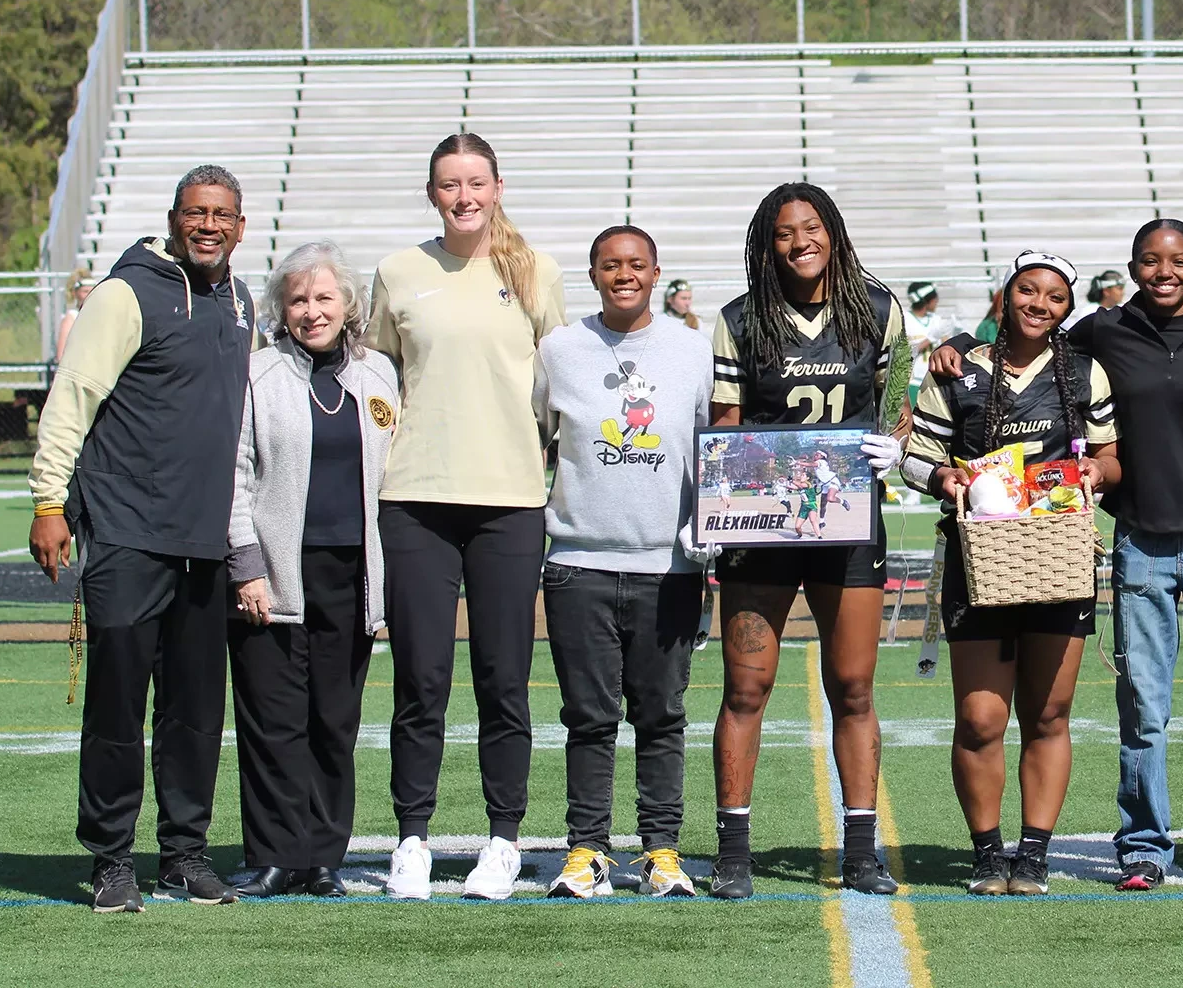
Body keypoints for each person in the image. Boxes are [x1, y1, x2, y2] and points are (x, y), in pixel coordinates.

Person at [929, 219, 1183, 891]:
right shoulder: (1103, 331)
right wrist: (963, 340)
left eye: (1177, 260)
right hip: (1139, 535)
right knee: (1144, 703)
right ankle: (1144, 844)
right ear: (1133, 267)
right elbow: (1027, 332)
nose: (1163, 271)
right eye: (1149, 260)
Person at [27, 164, 255, 913]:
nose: (209, 226)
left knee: (193, 713)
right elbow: (74, 396)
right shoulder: (126, 293)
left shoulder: (242, 299)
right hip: (127, 534)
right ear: (174, 218)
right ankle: (111, 859)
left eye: (222, 214)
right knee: (118, 709)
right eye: (197, 213)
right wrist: (48, 502)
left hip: (205, 543)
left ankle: (184, 855)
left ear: (241, 225)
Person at [367, 133, 568, 901]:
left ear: (496, 186)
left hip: (511, 502)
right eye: (449, 184)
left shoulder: (535, 271)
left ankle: (502, 839)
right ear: (431, 193)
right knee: (420, 680)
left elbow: (563, 384)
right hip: (414, 498)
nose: (463, 196)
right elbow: (378, 381)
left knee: (502, 680)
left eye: (475, 182)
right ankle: (411, 840)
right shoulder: (396, 272)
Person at [707, 182, 907, 899]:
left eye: (812, 228)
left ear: (835, 233)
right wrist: (712, 502)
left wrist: (896, 447)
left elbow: (899, 406)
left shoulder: (877, 312)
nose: (800, 243)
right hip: (762, 525)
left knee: (852, 687)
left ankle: (860, 848)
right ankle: (733, 850)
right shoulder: (740, 320)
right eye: (785, 232)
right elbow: (727, 423)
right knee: (747, 687)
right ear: (768, 242)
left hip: (847, 520)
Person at [902, 249, 1120, 896]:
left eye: (1054, 297)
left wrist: (1095, 474)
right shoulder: (958, 368)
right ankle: (987, 853)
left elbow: (1111, 457)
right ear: (1007, 294)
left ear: (1067, 308)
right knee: (979, 720)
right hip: (979, 563)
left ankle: (1034, 854)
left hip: (1059, 557)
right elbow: (917, 458)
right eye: (1028, 291)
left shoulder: (1085, 373)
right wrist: (946, 478)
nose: (1039, 305)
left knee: (1049, 713)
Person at [532, 224, 714, 899]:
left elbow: (712, 450)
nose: (624, 275)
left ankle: (662, 850)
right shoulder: (559, 349)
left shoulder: (693, 350)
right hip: (578, 561)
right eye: (611, 265)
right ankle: (586, 850)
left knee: (661, 715)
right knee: (588, 715)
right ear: (594, 274)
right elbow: (536, 443)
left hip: (669, 566)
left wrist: (710, 530)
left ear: (657, 271)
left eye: (636, 264)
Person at [226, 241, 398, 899]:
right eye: (297, 299)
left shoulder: (379, 375)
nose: (311, 310)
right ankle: (272, 855)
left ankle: (323, 856)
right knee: (273, 723)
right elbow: (233, 477)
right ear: (280, 308)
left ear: (348, 303)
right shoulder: (257, 375)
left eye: (324, 297)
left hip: (352, 578)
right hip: (272, 576)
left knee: (334, 719)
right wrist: (246, 565)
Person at [903, 281, 956, 411]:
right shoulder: (905, 319)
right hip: (913, 381)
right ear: (927, 301)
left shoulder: (935, 319)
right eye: (934, 298)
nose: (937, 301)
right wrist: (930, 339)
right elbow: (904, 352)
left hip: (933, 381)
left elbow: (946, 346)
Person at [54, 270, 96, 362]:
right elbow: (61, 356)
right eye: (85, 291)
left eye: (92, 291)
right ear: (75, 293)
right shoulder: (71, 318)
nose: (89, 294)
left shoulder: (97, 316)